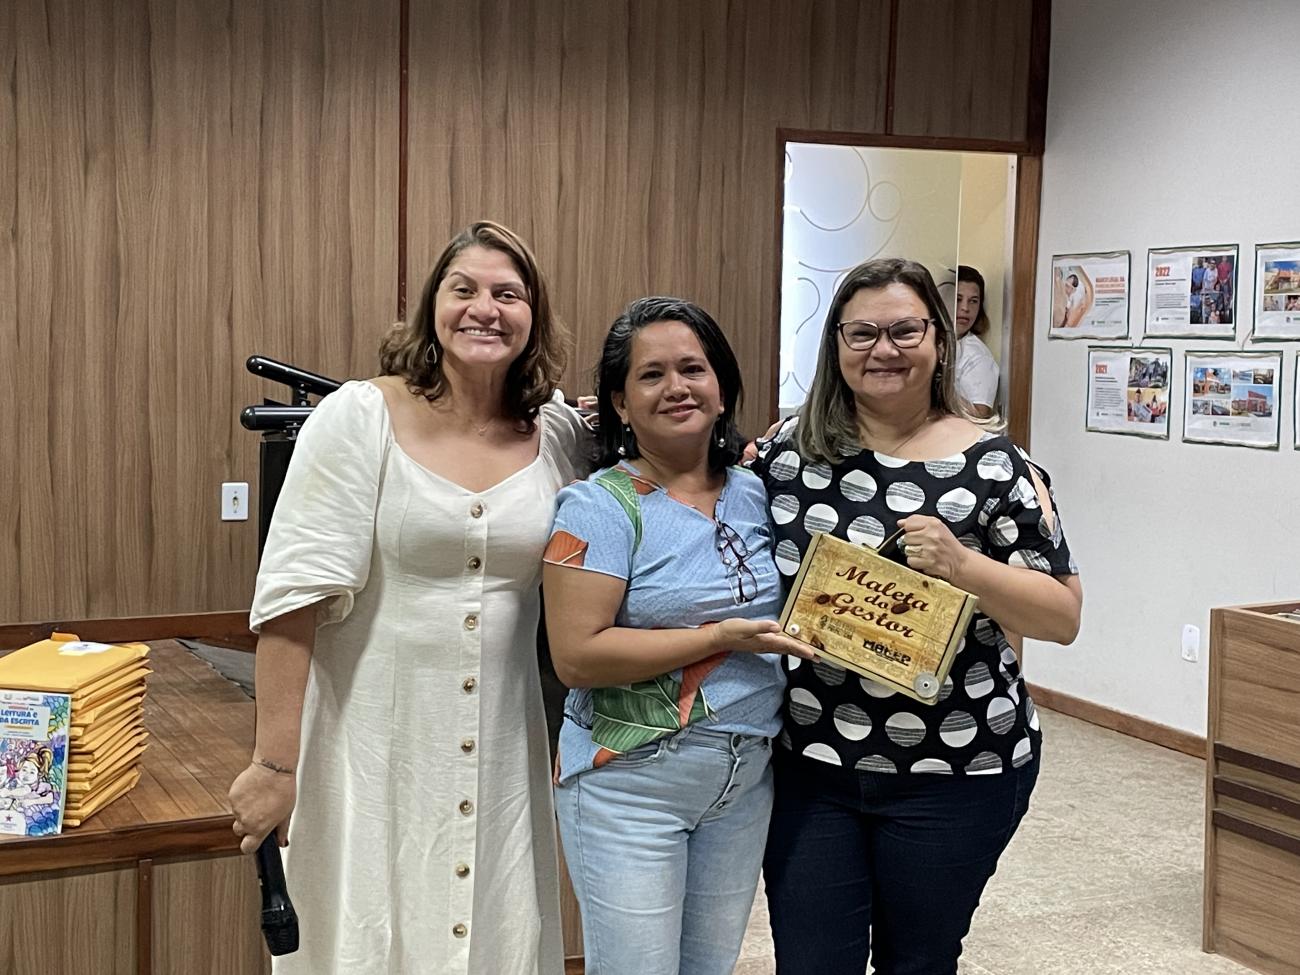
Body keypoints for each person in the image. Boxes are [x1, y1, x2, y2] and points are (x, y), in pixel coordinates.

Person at [227, 220, 591, 975]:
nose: (484, 309)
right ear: (433, 305)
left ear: (534, 315)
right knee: (369, 924)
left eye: (508, 293)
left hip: (503, 740)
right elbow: (292, 602)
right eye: (464, 289)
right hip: (372, 740)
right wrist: (274, 765)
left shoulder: (558, 434)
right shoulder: (359, 417)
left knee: (491, 924)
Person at [751, 257, 1083, 975]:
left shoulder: (998, 466)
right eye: (863, 332)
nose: (885, 349)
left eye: (905, 330)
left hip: (958, 767)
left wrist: (964, 566)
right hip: (811, 763)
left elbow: (1061, 616)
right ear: (836, 343)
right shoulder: (785, 454)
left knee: (919, 961)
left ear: (938, 338)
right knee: (811, 961)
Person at [542, 296, 812, 975]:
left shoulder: (758, 491)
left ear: (721, 388)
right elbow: (577, 656)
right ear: (620, 403)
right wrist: (720, 636)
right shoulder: (597, 505)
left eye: (693, 369)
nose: (677, 387)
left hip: (744, 780)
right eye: (651, 374)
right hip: (631, 781)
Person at [953, 266, 1000, 418]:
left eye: (973, 301)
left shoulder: (978, 356)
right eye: (958, 299)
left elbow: (980, 415)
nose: (965, 308)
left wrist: (937, 387)